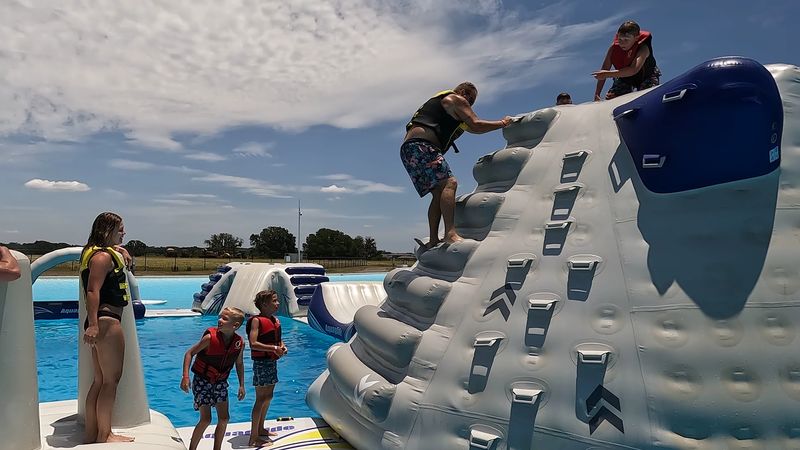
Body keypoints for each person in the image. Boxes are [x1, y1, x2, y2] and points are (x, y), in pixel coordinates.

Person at [402, 82, 513, 249]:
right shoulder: (455, 99)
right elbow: (476, 124)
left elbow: (473, 128)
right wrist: (503, 123)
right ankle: (450, 234)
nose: (470, 102)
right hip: (422, 146)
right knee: (450, 183)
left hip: (409, 150)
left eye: (473, 101)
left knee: (438, 193)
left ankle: (433, 240)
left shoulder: (449, 107)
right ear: (462, 92)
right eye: (470, 96)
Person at [80, 212, 135, 443]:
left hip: (101, 321)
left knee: (100, 380)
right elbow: (93, 291)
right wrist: (93, 325)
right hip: (106, 321)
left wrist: (123, 252)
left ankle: (93, 433)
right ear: (107, 230)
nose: (124, 233)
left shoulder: (96, 253)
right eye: (120, 229)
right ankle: (106, 434)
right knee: (111, 380)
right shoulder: (102, 258)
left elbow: (125, 266)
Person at [181, 307, 246, 450]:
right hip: (202, 381)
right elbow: (189, 353)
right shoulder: (210, 338)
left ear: (235, 326)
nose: (219, 321)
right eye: (220, 317)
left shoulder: (239, 343)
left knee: (224, 418)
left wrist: (242, 385)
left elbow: (239, 363)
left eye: (224, 319)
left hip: (220, 383)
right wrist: (185, 377)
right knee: (206, 419)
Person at [247, 290, 287, 447]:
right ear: (264, 304)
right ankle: (253, 437)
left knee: (269, 396)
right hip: (262, 363)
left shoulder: (275, 320)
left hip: (271, 362)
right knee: (261, 398)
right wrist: (274, 349)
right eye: (274, 301)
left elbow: (278, 339)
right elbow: (253, 343)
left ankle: (261, 428)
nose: (277, 304)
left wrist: (282, 347)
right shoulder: (257, 321)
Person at [592, 20, 661, 100]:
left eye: (626, 40)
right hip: (625, 78)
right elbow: (604, 70)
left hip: (646, 76)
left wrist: (608, 74)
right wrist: (597, 93)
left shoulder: (643, 49)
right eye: (620, 39)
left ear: (636, 38)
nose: (622, 43)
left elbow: (633, 70)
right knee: (611, 98)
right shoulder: (614, 49)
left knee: (647, 98)